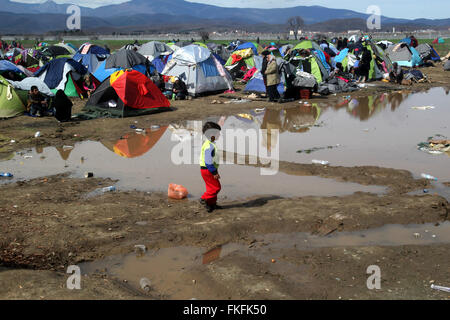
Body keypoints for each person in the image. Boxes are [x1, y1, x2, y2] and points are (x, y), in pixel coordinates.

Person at [199, 122, 222, 213]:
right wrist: (214, 172)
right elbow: (208, 162)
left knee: (211, 187)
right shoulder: (209, 146)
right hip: (208, 170)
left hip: (208, 169)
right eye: (218, 133)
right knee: (216, 188)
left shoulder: (209, 143)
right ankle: (204, 199)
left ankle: (211, 204)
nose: (220, 134)